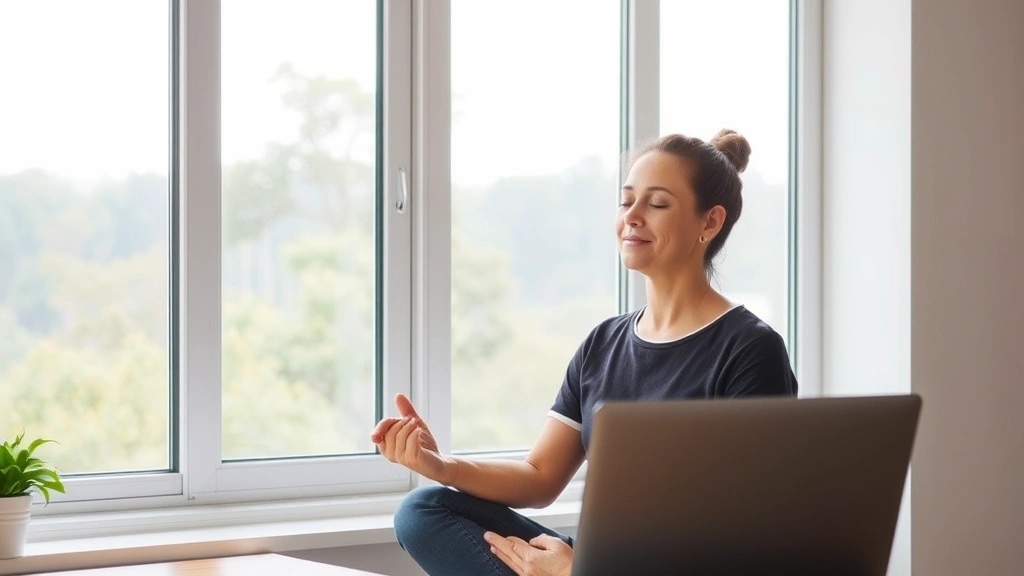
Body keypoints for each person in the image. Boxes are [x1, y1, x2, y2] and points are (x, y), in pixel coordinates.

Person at [370, 130, 799, 576]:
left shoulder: (750, 349)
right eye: (626, 200)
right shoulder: (603, 343)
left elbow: (750, 534)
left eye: (656, 204)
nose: (631, 217)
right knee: (423, 510)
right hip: (594, 561)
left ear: (709, 223)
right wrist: (439, 465)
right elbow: (539, 476)